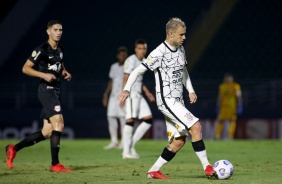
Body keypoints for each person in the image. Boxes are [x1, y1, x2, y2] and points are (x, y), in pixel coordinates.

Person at [118, 17, 217, 179]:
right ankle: (207, 167)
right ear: (170, 34)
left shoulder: (180, 49)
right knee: (196, 127)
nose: (184, 37)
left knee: (179, 140)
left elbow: (183, 71)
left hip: (178, 101)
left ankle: (153, 171)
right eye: (181, 35)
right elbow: (137, 71)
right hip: (167, 100)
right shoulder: (158, 53)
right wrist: (127, 89)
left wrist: (190, 90)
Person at [5, 20, 72, 173]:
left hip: (55, 90)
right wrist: (43, 75)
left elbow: (59, 65)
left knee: (47, 131)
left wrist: (64, 72)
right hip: (46, 90)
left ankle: (13, 148)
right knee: (59, 124)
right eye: (55, 29)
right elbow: (25, 68)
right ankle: (55, 164)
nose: (59, 32)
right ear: (48, 32)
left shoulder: (60, 49)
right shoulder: (41, 49)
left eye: (60, 30)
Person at [121, 39, 155, 159]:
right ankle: (125, 152)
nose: (142, 51)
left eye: (144, 48)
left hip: (139, 94)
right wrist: (123, 95)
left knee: (148, 120)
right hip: (131, 94)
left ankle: (131, 146)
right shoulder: (130, 61)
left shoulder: (145, 61)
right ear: (135, 49)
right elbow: (126, 78)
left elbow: (139, 80)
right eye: (139, 48)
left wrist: (148, 93)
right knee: (130, 120)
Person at [102, 46, 128, 149]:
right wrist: (105, 94)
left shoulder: (128, 67)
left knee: (122, 119)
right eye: (121, 54)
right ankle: (114, 141)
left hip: (123, 95)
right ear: (117, 56)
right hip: (113, 96)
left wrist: (124, 96)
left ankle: (124, 142)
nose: (123, 56)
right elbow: (111, 81)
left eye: (124, 54)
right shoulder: (114, 66)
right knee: (111, 117)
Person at [214, 73, 243, 140]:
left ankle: (230, 136)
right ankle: (217, 136)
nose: (227, 79)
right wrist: (218, 105)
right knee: (220, 120)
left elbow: (239, 96)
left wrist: (240, 105)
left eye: (228, 78)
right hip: (224, 107)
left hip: (232, 107)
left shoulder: (235, 86)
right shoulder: (222, 86)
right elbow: (220, 97)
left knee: (232, 120)